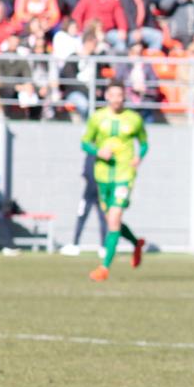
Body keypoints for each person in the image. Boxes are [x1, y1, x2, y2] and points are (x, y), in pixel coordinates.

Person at [81, 80, 149, 282]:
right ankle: (136, 243)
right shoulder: (97, 118)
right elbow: (85, 143)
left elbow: (144, 143)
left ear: (124, 97)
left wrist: (139, 156)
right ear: (107, 96)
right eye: (113, 95)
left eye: (120, 95)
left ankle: (104, 268)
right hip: (103, 175)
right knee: (113, 220)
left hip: (124, 175)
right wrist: (98, 151)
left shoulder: (134, 119)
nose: (117, 99)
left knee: (113, 219)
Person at [62, 153, 106, 256]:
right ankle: (76, 245)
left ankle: (103, 247)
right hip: (91, 193)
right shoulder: (92, 154)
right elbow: (86, 173)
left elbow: (86, 173)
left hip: (97, 192)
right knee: (83, 217)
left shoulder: (97, 155)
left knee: (102, 219)